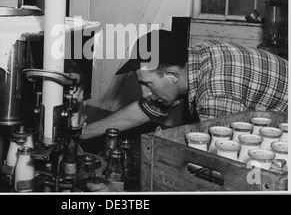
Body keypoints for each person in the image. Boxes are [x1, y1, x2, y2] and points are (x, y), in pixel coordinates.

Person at [80, 29, 288, 191]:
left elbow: (219, 175)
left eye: (148, 84)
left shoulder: (215, 90)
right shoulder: (191, 61)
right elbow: (144, 110)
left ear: (172, 75)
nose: (144, 93)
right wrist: (81, 133)